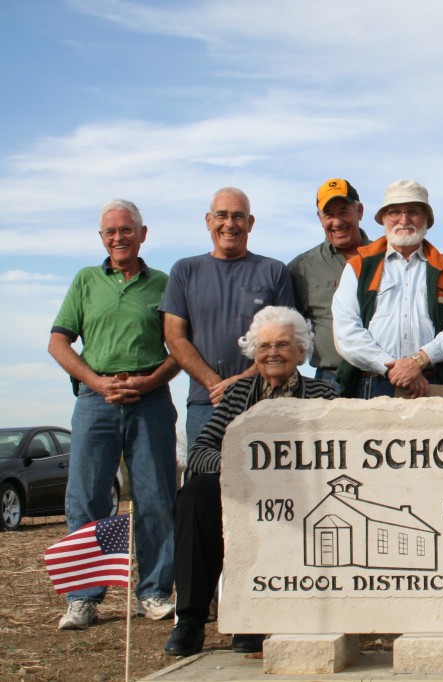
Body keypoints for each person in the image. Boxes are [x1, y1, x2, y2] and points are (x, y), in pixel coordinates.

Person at [162, 307, 337, 657]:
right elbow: (200, 451)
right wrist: (237, 470)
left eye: (283, 344)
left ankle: (254, 621)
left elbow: (336, 456)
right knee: (195, 494)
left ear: (301, 351)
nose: (273, 353)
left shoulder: (324, 396)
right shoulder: (238, 394)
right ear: (254, 352)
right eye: (264, 345)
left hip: (300, 494)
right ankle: (191, 621)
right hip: (242, 490)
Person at [48, 199, 180, 630]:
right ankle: (84, 598)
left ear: (143, 234)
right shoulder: (86, 280)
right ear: (102, 239)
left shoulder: (164, 283)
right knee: (86, 498)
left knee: (157, 496)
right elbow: (59, 343)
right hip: (95, 400)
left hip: (150, 401)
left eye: (127, 229)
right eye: (111, 232)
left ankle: (155, 592)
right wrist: (98, 382)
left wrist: (148, 381)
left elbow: (179, 348)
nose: (119, 237)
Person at [160, 187, 294, 446]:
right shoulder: (185, 271)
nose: (229, 224)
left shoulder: (274, 271)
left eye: (238, 216)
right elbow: (174, 335)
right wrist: (215, 384)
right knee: (204, 481)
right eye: (221, 215)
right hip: (206, 402)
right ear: (208, 221)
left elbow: (289, 339)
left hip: (264, 400)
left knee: (268, 484)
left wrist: (243, 382)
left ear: (250, 223)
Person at [332, 180, 443, 398]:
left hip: (435, 384)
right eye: (394, 212)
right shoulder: (359, 266)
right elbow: (346, 332)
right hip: (372, 384)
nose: (404, 220)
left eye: (413, 212)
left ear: (427, 219)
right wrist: (393, 368)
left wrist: (419, 360)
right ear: (383, 219)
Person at [288, 178, 371, 394]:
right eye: (329, 215)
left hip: (382, 379)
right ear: (319, 218)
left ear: (359, 211)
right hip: (329, 381)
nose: (337, 222)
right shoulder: (301, 267)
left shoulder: (390, 258)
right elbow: (289, 329)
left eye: (344, 211)